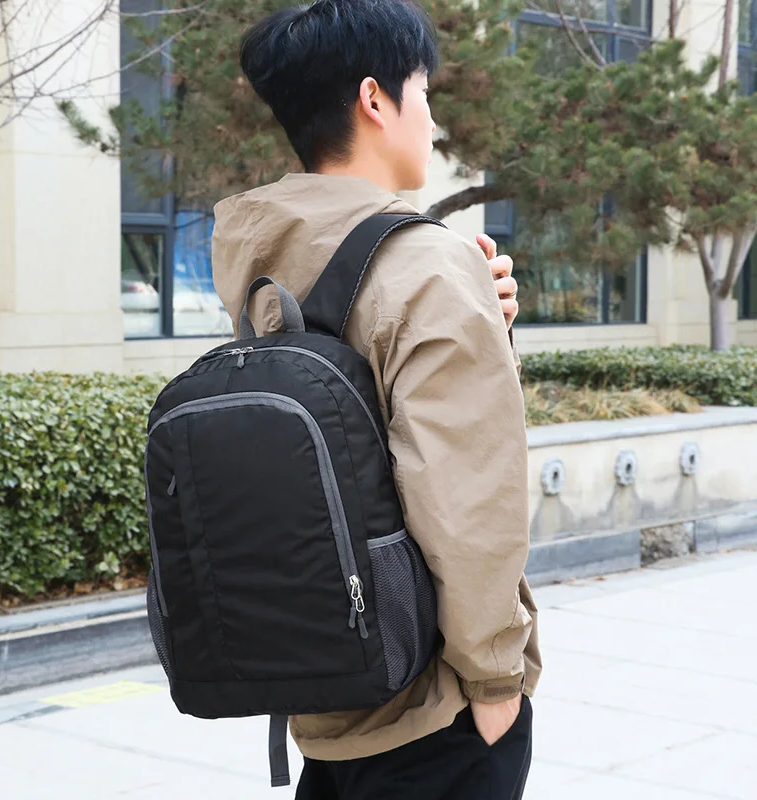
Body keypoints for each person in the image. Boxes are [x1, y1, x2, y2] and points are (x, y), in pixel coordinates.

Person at [212, 1, 541, 797]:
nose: (431, 116)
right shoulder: (427, 264)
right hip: (432, 703)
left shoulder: (263, 256)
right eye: (422, 91)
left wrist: (477, 314)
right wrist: (496, 681)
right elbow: (466, 494)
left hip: (324, 685)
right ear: (374, 99)